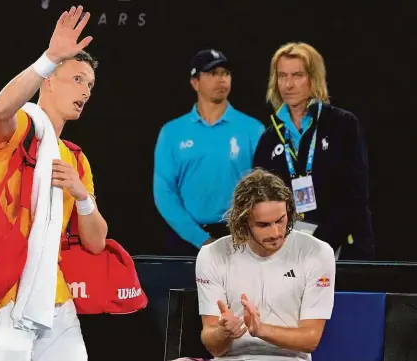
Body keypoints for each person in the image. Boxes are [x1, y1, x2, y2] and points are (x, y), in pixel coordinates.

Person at [0, 6, 107, 361]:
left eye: (90, 84)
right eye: (77, 79)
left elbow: (96, 242)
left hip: (55, 298)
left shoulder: (76, 158)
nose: (85, 91)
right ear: (48, 80)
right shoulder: (20, 127)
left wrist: (82, 196)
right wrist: (49, 57)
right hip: (3, 295)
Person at [196, 168, 336, 360]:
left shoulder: (317, 253)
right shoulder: (212, 255)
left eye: (281, 220)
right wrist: (223, 332)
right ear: (243, 221)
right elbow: (215, 348)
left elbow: (310, 340)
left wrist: (260, 329)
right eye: (263, 225)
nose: (276, 233)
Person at [253, 42, 374, 260]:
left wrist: (321, 242)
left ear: (313, 78)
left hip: (342, 247)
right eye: (282, 76)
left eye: (297, 75)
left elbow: (355, 194)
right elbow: (260, 199)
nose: (288, 84)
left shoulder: (342, 125)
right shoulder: (270, 138)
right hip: (288, 251)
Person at [153, 48, 265, 256]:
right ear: (195, 82)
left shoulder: (253, 130)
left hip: (241, 238)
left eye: (226, 73)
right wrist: (200, 239)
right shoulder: (172, 132)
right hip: (186, 241)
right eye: (213, 73)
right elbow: (164, 193)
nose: (221, 79)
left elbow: (263, 190)